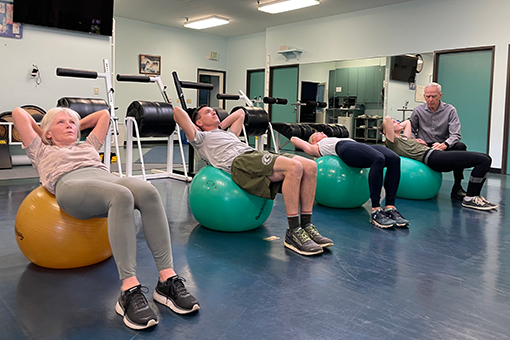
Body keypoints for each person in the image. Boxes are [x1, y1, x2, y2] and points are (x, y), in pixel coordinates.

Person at [12, 106, 199, 330]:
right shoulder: (40, 148)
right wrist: (43, 131)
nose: (69, 125)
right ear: (48, 133)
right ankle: (129, 289)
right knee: (120, 196)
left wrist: (75, 124)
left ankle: (166, 280)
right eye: (61, 123)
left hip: (103, 177)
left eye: (72, 122)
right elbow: (17, 113)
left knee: (148, 191)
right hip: (70, 184)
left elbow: (104, 115)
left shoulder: (88, 145)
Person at [173, 105, 333, 256]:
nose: (214, 111)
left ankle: (306, 225)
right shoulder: (200, 138)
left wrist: (220, 127)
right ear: (198, 122)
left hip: (255, 154)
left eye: (213, 110)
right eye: (208, 112)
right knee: (294, 167)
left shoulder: (228, 134)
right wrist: (196, 127)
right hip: (240, 162)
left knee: (311, 166)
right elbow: (177, 111)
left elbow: (241, 113)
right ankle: (293, 231)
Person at [290, 132, 409, 228]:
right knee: (378, 158)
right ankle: (375, 210)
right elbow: (293, 139)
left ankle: (390, 207)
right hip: (344, 148)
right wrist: (307, 140)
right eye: (317, 133)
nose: (321, 132)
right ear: (314, 141)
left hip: (358, 146)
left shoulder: (333, 138)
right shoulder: (315, 147)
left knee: (394, 159)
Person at [380, 115, 497, 211]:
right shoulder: (392, 142)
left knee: (484, 158)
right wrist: (389, 123)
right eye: (395, 122)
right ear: (387, 131)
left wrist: (398, 124)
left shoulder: (405, 138)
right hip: (432, 158)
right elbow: (387, 119)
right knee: (483, 160)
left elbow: (408, 122)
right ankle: (471, 198)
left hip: (435, 154)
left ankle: (472, 195)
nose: (398, 122)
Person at [410, 82, 468, 200]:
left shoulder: (450, 110)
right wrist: (415, 140)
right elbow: (410, 130)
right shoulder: (418, 110)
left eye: (434, 96)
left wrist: (445, 145)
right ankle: (421, 185)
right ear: (424, 96)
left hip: (443, 143)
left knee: (461, 147)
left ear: (440, 96)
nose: (430, 99)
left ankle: (457, 187)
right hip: (424, 145)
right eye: (427, 96)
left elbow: (456, 134)